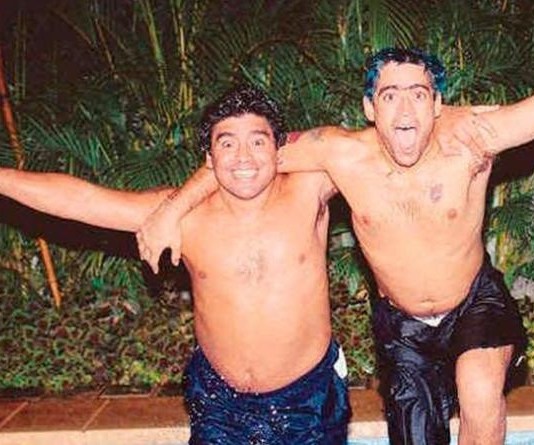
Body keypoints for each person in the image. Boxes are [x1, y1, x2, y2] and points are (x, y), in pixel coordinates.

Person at [136, 2, 534, 444]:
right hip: (401, 324)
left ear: (437, 104)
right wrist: (171, 209)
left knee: (480, 392)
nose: (404, 110)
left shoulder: (472, 141)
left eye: (418, 95)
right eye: (389, 96)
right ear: (369, 108)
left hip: (473, 303)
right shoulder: (340, 153)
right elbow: (246, 156)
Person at [0, 85, 351, 444]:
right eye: (227, 143)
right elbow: (83, 201)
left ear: (279, 149)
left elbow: (349, 146)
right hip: (219, 404)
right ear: (209, 158)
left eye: (258, 141)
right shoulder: (185, 217)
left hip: (309, 400)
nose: (243, 157)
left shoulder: (309, 190)